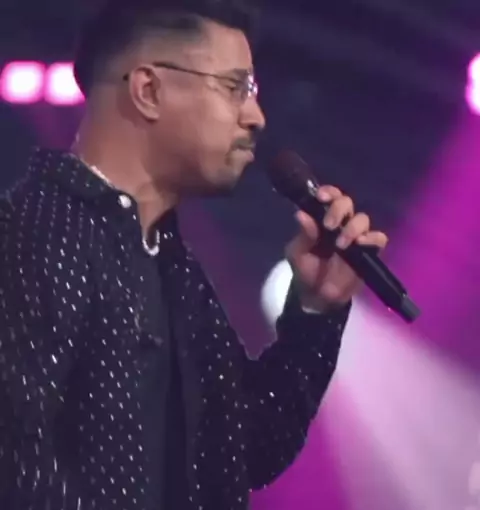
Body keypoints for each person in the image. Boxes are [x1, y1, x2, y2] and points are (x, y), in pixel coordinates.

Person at [0, 0, 388, 509]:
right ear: (149, 90)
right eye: (235, 87)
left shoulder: (174, 269)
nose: (256, 116)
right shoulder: (27, 238)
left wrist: (316, 311)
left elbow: (248, 448)